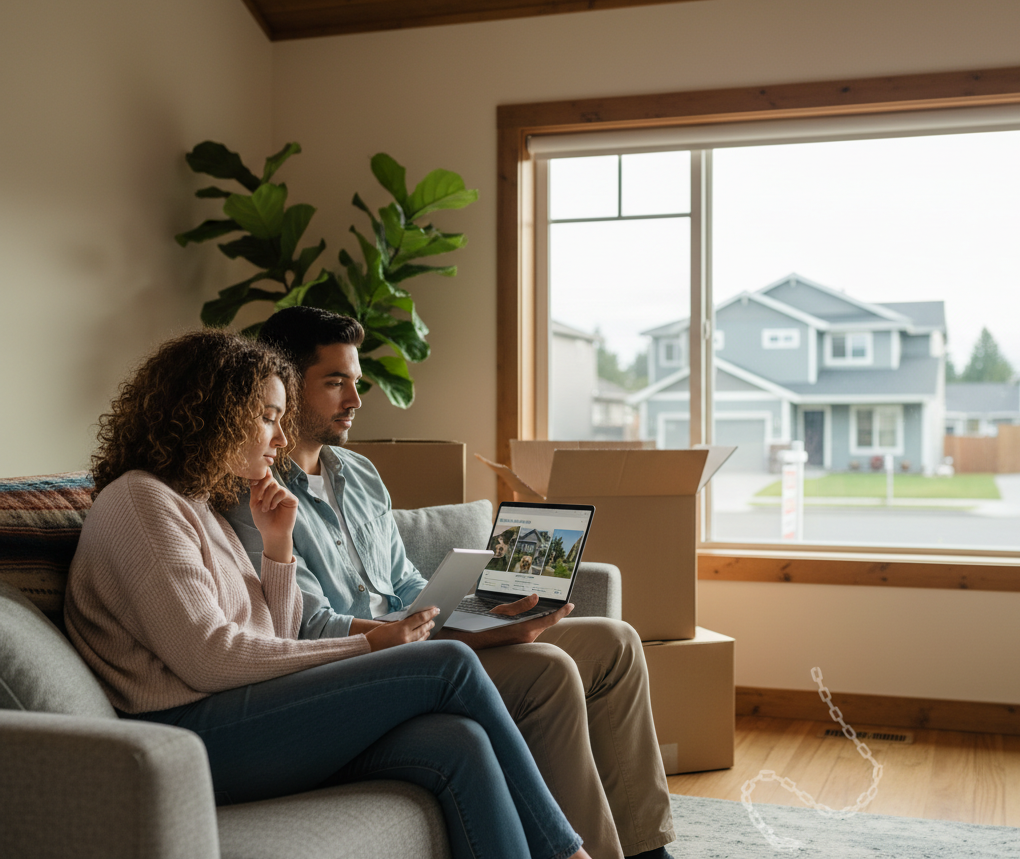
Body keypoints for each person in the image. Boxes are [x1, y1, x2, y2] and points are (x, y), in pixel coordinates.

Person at [64, 329, 592, 859]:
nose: (279, 436)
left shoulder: (200, 506)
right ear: (213, 413)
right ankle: (569, 855)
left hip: (231, 713)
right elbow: (210, 658)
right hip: (182, 735)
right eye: (269, 416)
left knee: (460, 742)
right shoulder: (141, 501)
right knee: (449, 662)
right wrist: (370, 644)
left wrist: (277, 547)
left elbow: (273, 633)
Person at [227, 307, 677, 859]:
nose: (356, 399)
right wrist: (452, 635)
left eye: (357, 381)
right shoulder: (257, 497)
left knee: (616, 643)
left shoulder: (360, 473)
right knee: (551, 669)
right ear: (287, 389)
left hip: (430, 631)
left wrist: (477, 606)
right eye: (335, 382)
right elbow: (310, 626)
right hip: (377, 663)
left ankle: (648, 853)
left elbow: (404, 579)